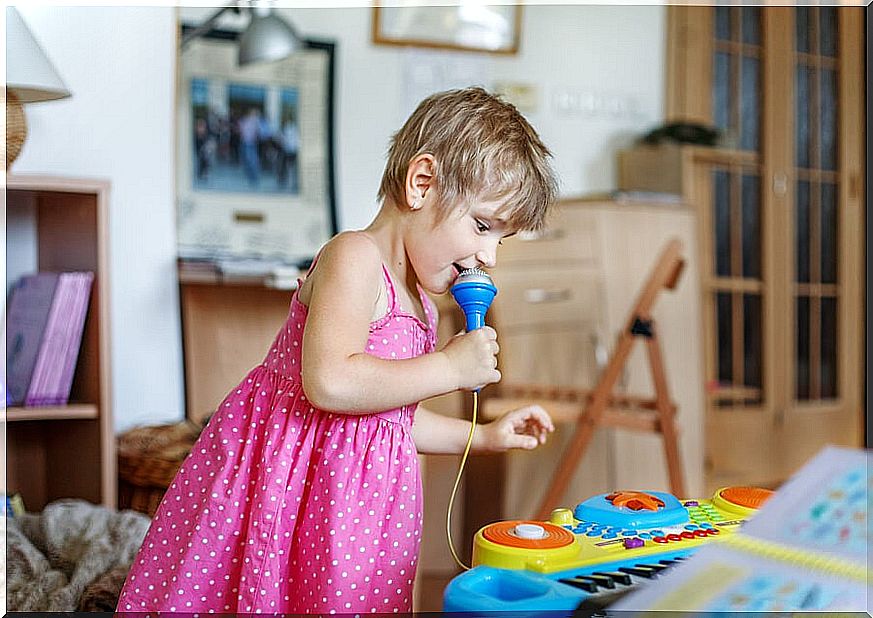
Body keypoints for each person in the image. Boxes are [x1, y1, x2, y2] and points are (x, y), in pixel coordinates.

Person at [117, 87, 559, 614]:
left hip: (353, 512)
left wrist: (484, 436)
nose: (488, 255)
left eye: (501, 240)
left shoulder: (420, 300)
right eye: (482, 226)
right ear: (421, 184)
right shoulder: (355, 257)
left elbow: (391, 417)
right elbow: (330, 381)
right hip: (287, 492)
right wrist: (447, 366)